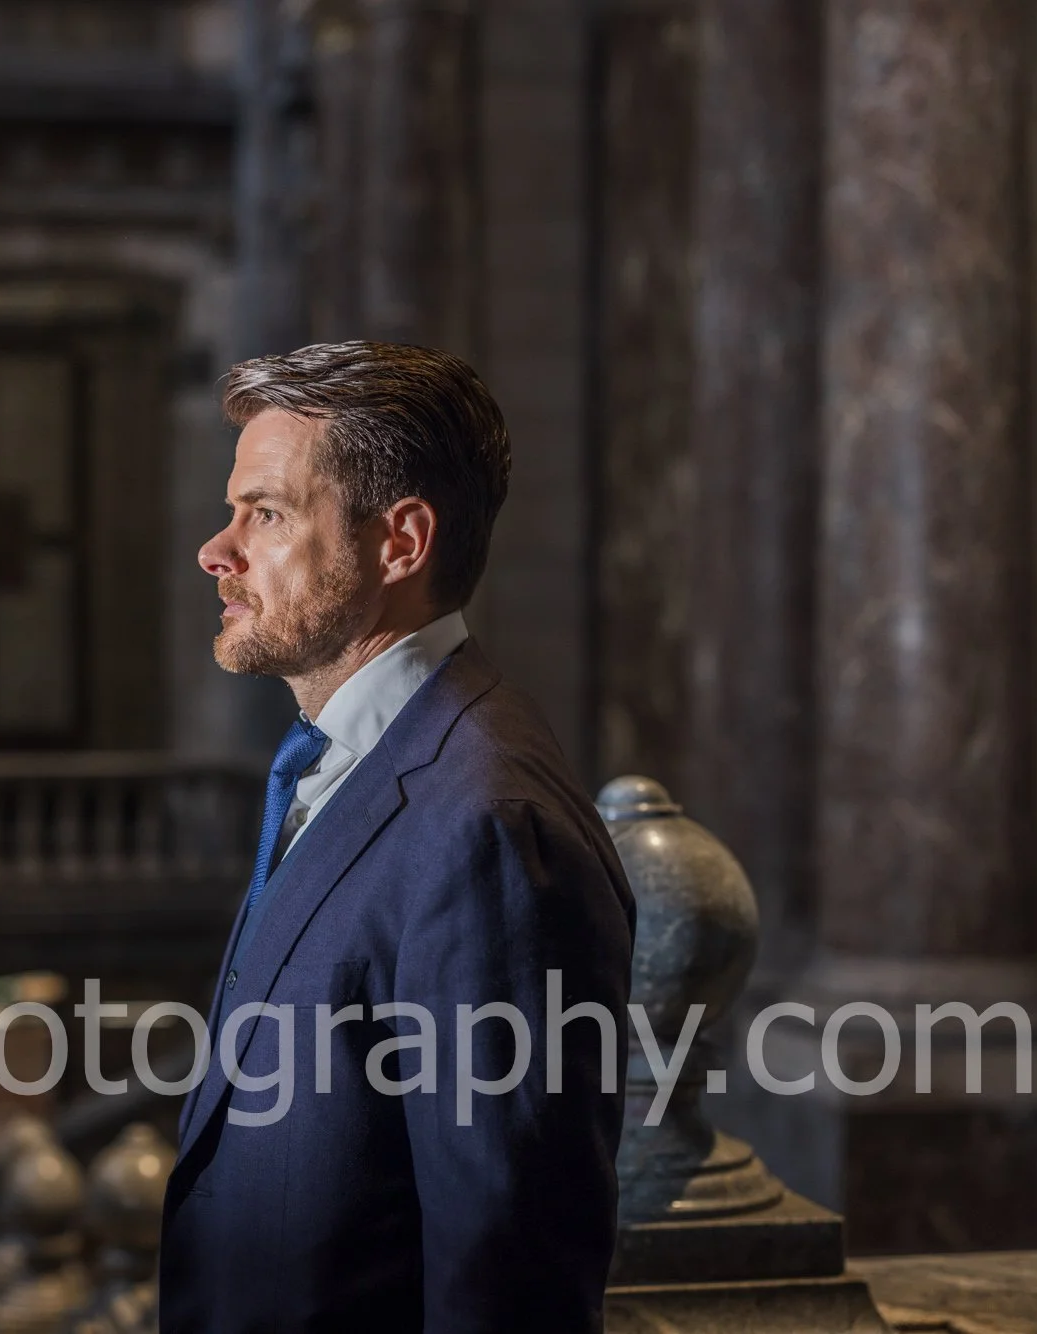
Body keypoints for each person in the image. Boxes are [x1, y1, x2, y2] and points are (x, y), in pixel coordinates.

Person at [159, 342, 635, 1332]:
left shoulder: (486, 824)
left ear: (399, 542)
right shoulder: (345, 757)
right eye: (232, 508)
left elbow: (508, 1278)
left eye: (267, 513)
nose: (218, 549)